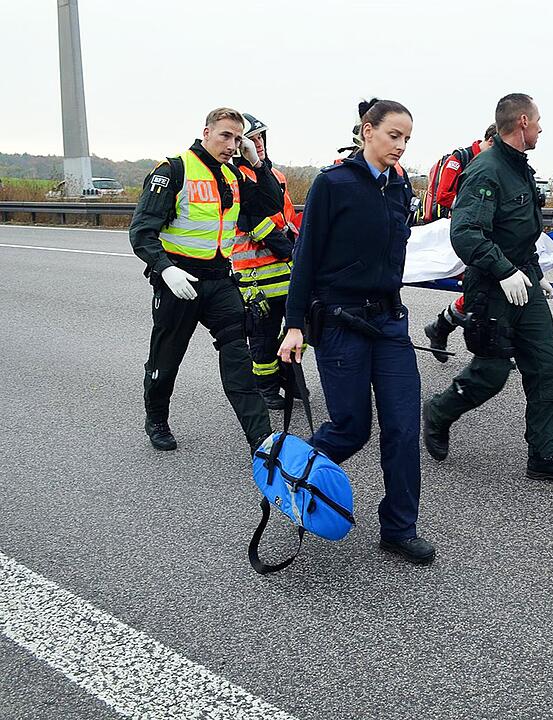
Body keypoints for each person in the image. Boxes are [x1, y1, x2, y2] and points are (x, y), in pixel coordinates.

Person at [277, 99, 435, 565]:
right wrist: (295, 325)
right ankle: (288, 475)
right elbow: (304, 259)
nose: (401, 146)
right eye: (394, 136)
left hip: (388, 322)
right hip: (341, 322)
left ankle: (399, 528)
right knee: (350, 429)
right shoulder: (333, 183)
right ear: (368, 131)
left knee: (404, 429)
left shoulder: (400, 186)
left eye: (407, 138)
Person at [422, 93, 553, 486]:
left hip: (524, 282)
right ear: (521, 123)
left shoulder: (521, 169)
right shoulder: (487, 171)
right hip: (492, 287)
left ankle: (544, 454)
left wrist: (534, 273)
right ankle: (439, 411)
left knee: (548, 367)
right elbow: (464, 233)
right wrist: (503, 270)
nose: (542, 128)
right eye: (538, 120)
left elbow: (521, 232)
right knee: (492, 372)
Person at [130, 107, 282, 453]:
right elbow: (141, 231)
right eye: (225, 135)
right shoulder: (174, 170)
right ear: (206, 132)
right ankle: (156, 419)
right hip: (179, 281)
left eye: (237, 138)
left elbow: (271, 203)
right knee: (166, 360)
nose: (231, 144)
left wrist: (257, 163)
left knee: (238, 360)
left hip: (220, 281)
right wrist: (165, 268)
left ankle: (261, 440)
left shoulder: (233, 175)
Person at [231, 112, 301, 411]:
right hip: (256, 271)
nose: (257, 143)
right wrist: (285, 247)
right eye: (251, 138)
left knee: (300, 325)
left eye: (260, 137)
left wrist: (299, 244)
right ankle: (265, 387)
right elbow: (250, 220)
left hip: (286, 267)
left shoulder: (276, 176)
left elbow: (286, 217)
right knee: (263, 333)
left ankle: (289, 376)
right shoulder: (232, 177)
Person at [422, 124, 497, 363]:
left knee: (488, 287)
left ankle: (442, 326)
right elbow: (445, 195)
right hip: (459, 228)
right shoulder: (460, 159)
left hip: (485, 229)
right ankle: (487, 350)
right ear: (492, 142)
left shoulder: (493, 164)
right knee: (483, 287)